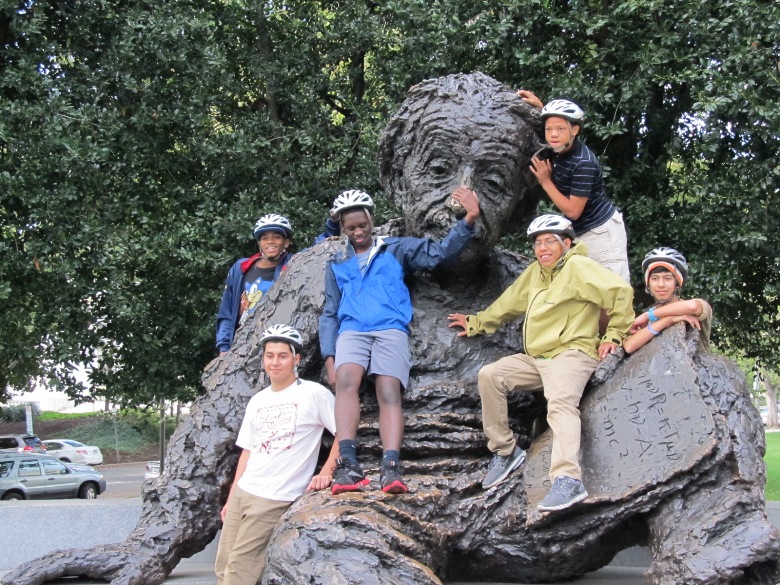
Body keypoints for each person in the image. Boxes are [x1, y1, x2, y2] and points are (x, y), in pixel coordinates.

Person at [448, 214, 634, 512]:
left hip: (571, 353)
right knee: (491, 375)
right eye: (538, 243)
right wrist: (476, 322)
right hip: (537, 358)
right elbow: (509, 304)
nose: (543, 248)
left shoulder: (578, 267)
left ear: (567, 243)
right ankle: (506, 451)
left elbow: (621, 293)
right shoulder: (536, 272)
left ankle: (567, 479)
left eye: (550, 241)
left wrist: (614, 334)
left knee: (560, 403)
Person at [320, 187, 480, 495]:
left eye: (362, 225)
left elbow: (439, 253)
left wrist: (469, 219)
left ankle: (390, 466)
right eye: (351, 228)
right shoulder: (336, 263)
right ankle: (348, 465)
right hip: (352, 329)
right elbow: (330, 311)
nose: (358, 232)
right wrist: (329, 356)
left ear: (371, 220)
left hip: (390, 327)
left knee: (389, 388)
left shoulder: (395, 250)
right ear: (342, 228)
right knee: (346, 379)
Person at [215, 324, 339, 585]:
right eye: (269, 355)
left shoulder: (314, 394)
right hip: (243, 493)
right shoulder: (258, 400)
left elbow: (345, 432)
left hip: (275, 497)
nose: (275, 362)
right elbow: (248, 450)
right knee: (224, 566)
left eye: (282, 356)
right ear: (263, 359)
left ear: (296, 359)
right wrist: (231, 495)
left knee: (240, 573)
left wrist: (326, 470)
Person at [517, 90, 630, 283]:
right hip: (578, 232)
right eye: (548, 128)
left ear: (575, 130)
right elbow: (556, 125)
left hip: (600, 232)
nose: (553, 135)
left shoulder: (583, 163)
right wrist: (541, 107)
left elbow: (573, 211)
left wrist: (545, 181)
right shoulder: (559, 146)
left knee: (612, 291)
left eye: (560, 129)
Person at [215, 214, 294, 355]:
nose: (270, 242)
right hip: (241, 345)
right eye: (264, 238)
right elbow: (226, 311)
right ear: (259, 244)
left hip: (275, 343)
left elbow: (318, 250)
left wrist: (332, 223)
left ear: (286, 242)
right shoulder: (241, 268)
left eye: (276, 237)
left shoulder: (293, 265)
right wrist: (224, 347)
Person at [623, 247, 712, 354]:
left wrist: (648, 315)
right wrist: (667, 320)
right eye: (655, 278)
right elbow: (629, 347)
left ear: (677, 283)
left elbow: (692, 306)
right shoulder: (647, 320)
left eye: (668, 278)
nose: (661, 284)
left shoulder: (694, 307)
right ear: (648, 284)